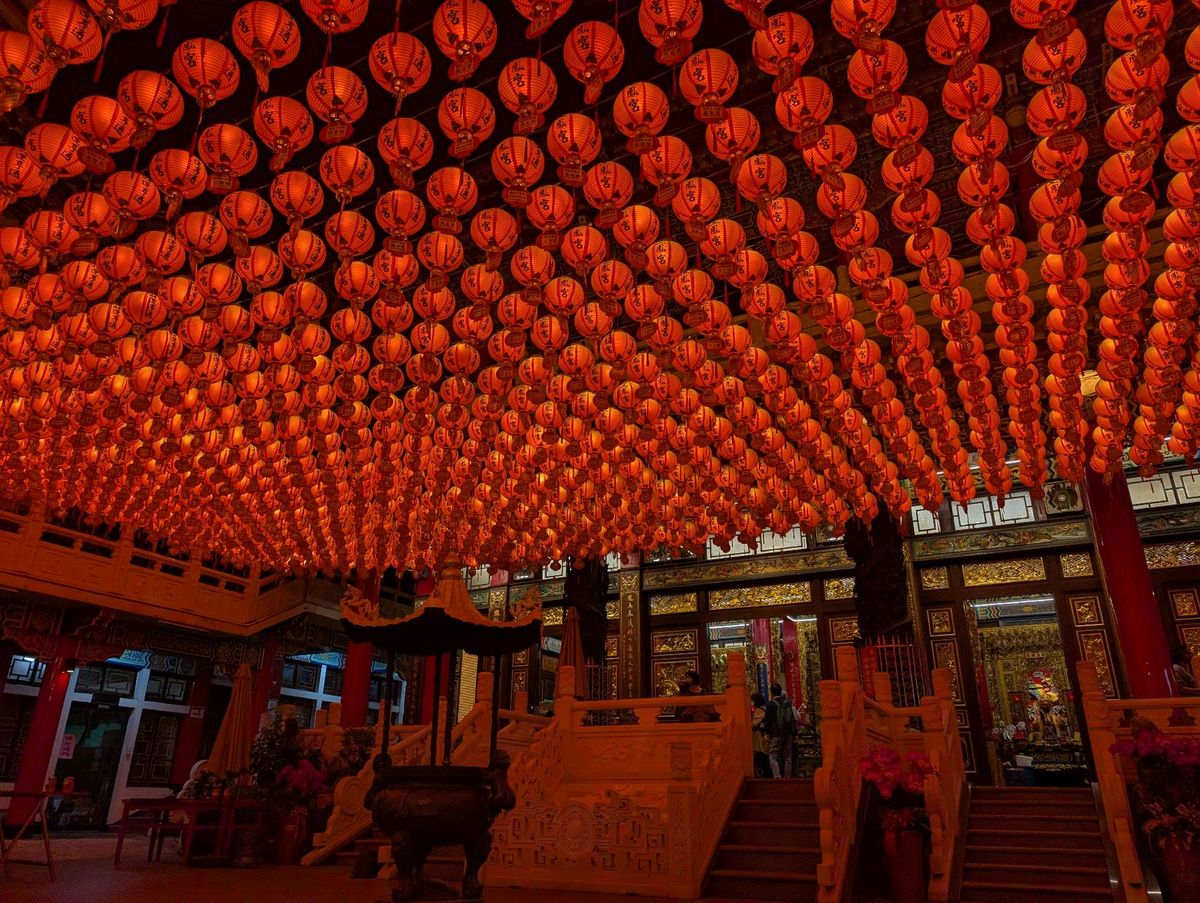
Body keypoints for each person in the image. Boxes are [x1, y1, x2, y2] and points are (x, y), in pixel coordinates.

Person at [764, 682, 797, 778]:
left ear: (772, 692)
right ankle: (787, 776)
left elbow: (768, 720)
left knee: (773, 755)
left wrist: (767, 733)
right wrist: (794, 733)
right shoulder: (787, 703)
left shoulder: (770, 704)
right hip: (788, 733)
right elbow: (792, 719)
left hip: (776, 733)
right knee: (788, 755)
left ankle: (777, 776)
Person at [750, 692, 771, 777]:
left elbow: (754, 724)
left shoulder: (759, 711)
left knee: (760, 757)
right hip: (767, 736)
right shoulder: (767, 709)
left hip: (759, 737)